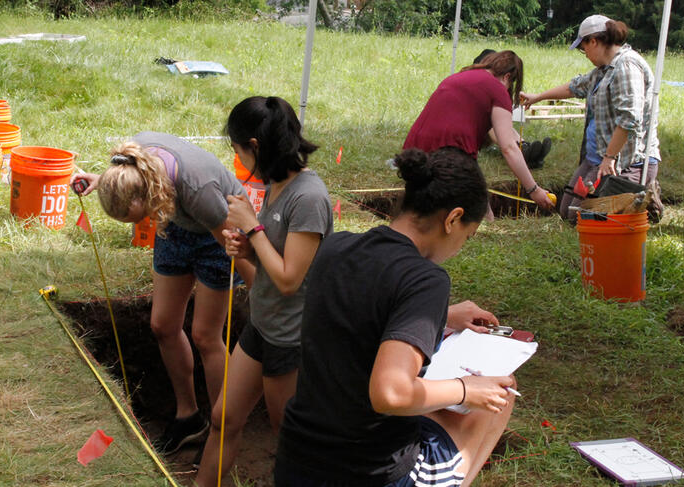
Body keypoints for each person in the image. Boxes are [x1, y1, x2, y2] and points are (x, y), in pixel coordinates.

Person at [275, 147, 515, 487]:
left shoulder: (336, 248)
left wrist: (441, 317)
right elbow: (390, 393)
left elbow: (357, 310)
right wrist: (465, 390)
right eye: (467, 235)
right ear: (452, 219)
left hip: (298, 462)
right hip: (368, 474)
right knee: (500, 389)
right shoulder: (425, 280)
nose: (462, 245)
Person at [71, 132, 255, 455]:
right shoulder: (132, 163)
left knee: (205, 336)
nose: (138, 225)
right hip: (177, 225)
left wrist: (261, 290)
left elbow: (232, 245)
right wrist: (100, 180)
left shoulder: (199, 191)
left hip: (219, 233)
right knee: (163, 325)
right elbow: (125, 178)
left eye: (137, 218)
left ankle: (221, 429)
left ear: (149, 197)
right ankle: (188, 417)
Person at [195, 96, 333, 487]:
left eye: (238, 150)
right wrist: (246, 248)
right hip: (262, 325)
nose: (238, 160)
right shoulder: (277, 183)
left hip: (291, 339)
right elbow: (273, 268)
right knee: (224, 418)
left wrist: (253, 229)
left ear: (254, 146)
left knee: (287, 436)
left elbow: (290, 279)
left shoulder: (308, 197)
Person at [521, 15, 662, 222]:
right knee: (567, 211)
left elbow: (629, 119)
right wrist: (538, 97)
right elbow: (574, 86)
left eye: (583, 47)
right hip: (598, 157)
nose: (584, 54)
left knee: (580, 218)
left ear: (593, 41)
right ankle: (636, 202)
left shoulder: (627, 67)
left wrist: (610, 158)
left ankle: (647, 203)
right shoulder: (603, 70)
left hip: (626, 162)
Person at [404, 50, 554, 211]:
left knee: (427, 208)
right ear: (508, 77)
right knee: (470, 207)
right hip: (448, 154)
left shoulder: (459, 76)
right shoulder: (498, 90)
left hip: (410, 153)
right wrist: (534, 190)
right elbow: (509, 148)